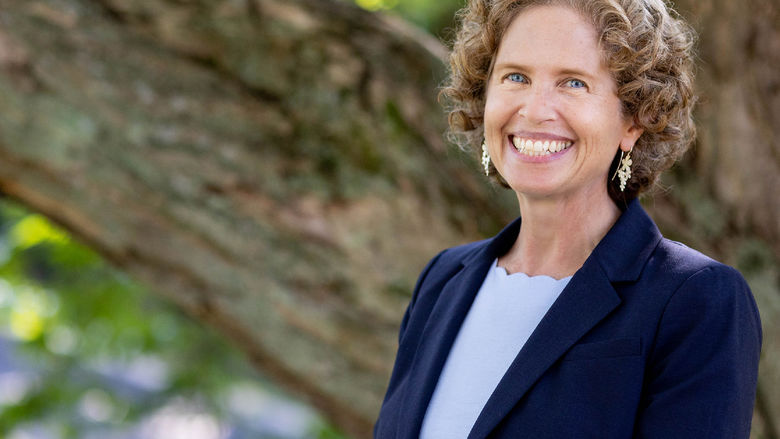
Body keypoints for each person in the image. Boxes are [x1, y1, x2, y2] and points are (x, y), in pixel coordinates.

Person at [373, 0, 762, 438]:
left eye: (573, 82)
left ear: (635, 119)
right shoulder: (442, 280)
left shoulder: (696, 299)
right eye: (515, 77)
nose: (536, 110)